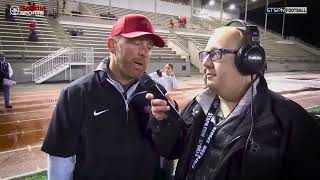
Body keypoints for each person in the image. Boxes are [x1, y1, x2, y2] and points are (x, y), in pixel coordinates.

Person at [147, 20, 320, 180]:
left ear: (249, 60)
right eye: (205, 54)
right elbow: (173, 150)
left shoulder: (291, 123)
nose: (205, 63)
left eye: (216, 54)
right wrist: (164, 123)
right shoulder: (198, 106)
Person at [41, 14, 168, 180]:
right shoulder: (75, 94)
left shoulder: (159, 94)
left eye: (149, 47)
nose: (144, 52)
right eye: (137, 43)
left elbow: (166, 153)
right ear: (112, 45)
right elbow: (61, 159)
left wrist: (169, 124)